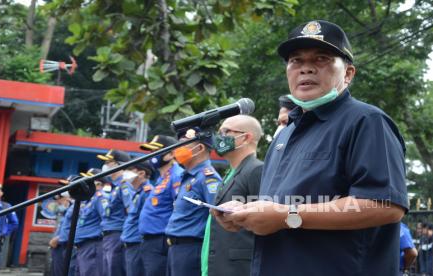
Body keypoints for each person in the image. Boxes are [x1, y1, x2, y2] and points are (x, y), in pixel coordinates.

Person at [212, 20, 408, 276]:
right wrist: (246, 213)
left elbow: (386, 205)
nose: (306, 69)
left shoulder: (367, 121)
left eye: (321, 58)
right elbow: (279, 205)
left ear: (348, 74)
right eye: (296, 61)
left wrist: (287, 215)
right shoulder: (286, 133)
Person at [201, 115, 264, 276]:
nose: (219, 137)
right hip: (217, 264)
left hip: (237, 268)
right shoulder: (231, 173)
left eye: (226, 131)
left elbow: (263, 220)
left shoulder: (255, 170)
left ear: (246, 137)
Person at [165, 128, 222, 276]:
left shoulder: (208, 178)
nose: (177, 149)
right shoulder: (188, 177)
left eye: (183, 144)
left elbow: (218, 216)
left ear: (200, 148)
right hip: (175, 249)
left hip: (191, 249)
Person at [138, 135, 184, 276]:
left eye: (156, 151)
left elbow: (179, 207)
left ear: (170, 154)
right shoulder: (162, 178)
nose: (152, 155)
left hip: (160, 240)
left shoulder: (176, 175)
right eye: (150, 151)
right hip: (151, 240)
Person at [120, 160, 153, 276]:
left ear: (141, 174)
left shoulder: (148, 192)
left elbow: (147, 219)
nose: (125, 173)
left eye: (130, 170)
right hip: (131, 243)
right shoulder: (138, 192)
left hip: (138, 243)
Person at [74, 175, 105, 276]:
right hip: (82, 245)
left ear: (98, 184)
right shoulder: (88, 201)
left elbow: (105, 218)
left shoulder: (100, 198)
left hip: (92, 244)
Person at [49, 176, 74, 276]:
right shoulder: (66, 207)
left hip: (67, 244)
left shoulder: (77, 205)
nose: (63, 189)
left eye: (66, 186)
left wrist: (58, 239)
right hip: (59, 245)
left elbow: (74, 227)